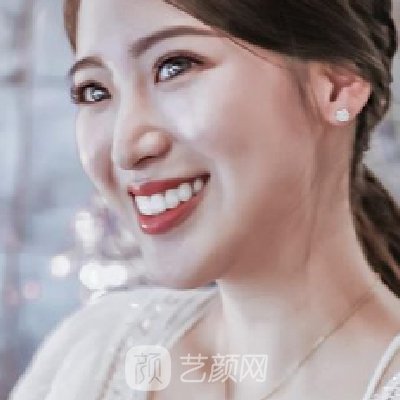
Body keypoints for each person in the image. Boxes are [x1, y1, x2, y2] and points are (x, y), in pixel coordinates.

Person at [8, 0, 400, 399]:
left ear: (337, 85)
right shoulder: (92, 354)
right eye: (95, 92)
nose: (125, 147)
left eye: (174, 66)